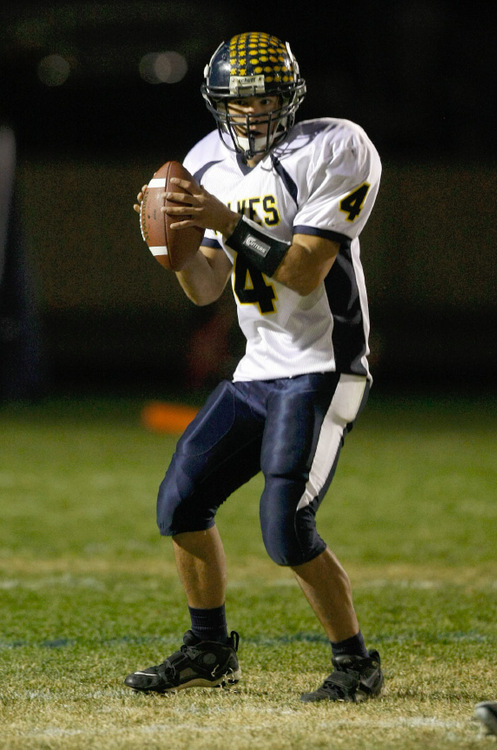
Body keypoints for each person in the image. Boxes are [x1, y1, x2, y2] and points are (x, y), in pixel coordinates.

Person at [125, 31, 384, 703]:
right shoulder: (207, 159)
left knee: (286, 525)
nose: (253, 113)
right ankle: (209, 647)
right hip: (259, 368)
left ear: (290, 98)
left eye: (266, 98)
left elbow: (302, 272)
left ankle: (356, 663)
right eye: (239, 102)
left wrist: (222, 220)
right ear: (218, 105)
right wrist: (175, 249)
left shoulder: (336, 147)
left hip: (327, 367)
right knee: (180, 501)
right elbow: (209, 286)